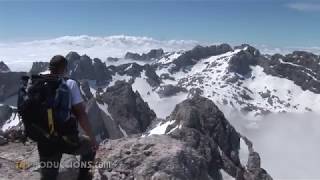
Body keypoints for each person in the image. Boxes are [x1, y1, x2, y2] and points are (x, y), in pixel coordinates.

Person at [37, 55, 98, 180]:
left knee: (48, 176)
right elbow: (81, 115)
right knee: (89, 148)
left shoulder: (38, 83)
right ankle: (83, 177)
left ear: (50, 68)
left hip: (44, 138)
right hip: (65, 139)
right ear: (64, 69)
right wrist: (92, 139)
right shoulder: (70, 84)